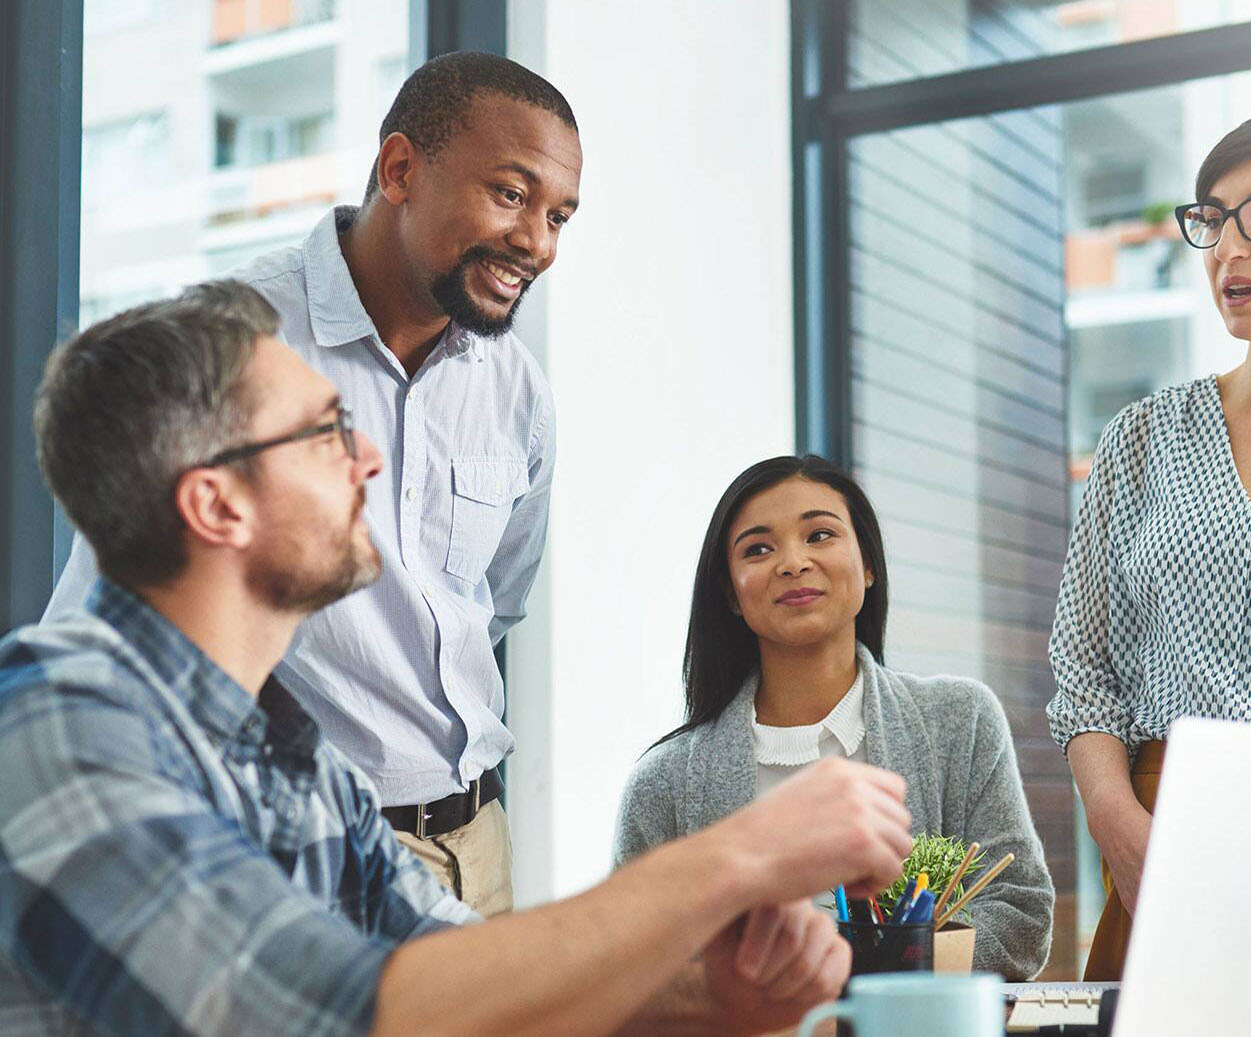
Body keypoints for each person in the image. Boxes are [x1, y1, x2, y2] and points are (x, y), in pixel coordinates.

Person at [0, 284, 917, 1037]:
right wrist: (741, 853)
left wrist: (715, 997)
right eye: (326, 431)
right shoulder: (57, 720)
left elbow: (460, 976)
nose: (367, 458)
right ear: (217, 505)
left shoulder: (298, 758)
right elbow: (328, 1012)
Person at [45, 51, 578, 914]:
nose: (539, 244)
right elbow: (108, 619)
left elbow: (493, 604)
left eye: (558, 216)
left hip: (479, 844)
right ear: (399, 169)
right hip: (293, 849)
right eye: (511, 195)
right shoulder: (237, 342)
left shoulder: (517, 390)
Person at [1047, 107, 1251, 981]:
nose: (1229, 247)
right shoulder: (1141, 438)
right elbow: (1084, 676)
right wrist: (1118, 827)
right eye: (1213, 218)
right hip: (1160, 858)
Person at [613, 455, 1054, 980]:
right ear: (730, 593)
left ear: (868, 565)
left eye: (819, 535)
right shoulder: (663, 783)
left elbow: (1020, 915)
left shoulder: (961, 720)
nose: (792, 562)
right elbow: (631, 962)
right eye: (758, 549)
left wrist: (871, 970)